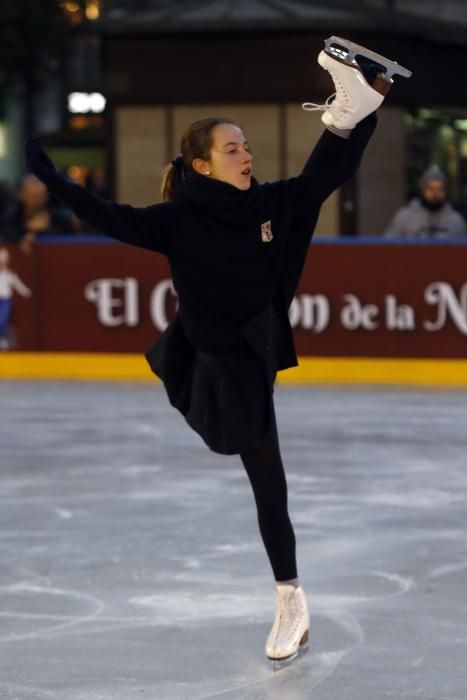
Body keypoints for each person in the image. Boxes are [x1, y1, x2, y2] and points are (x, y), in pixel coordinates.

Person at [25, 45, 386, 665]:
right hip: (204, 351)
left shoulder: (264, 203)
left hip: (251, 345)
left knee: (265, 477)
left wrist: (368, 115)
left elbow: (326, 178)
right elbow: (107, 216)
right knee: (239, 446)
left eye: (246, 146)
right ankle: (349, 112)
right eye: (232, 149)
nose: (246, 155)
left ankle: (289, 597)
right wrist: (55, 181)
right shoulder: (176, 220)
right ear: (201, 165)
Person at [384, 166, 466, 238]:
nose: (435, 194)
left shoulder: (456, 221)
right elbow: (388, 248)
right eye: (431, 189)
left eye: (440, 189)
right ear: (422, 190)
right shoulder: (404, 217)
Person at [0, 247, 32, 350]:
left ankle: (3, 340)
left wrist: (26, 292)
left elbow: (18, 285)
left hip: (5, 301)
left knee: (2, 321)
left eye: (4, 260)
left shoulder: (10, 274)